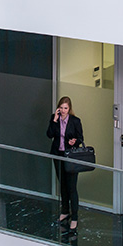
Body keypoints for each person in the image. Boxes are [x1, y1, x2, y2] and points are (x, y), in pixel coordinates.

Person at [47, 96, 84, 232]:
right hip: (58, 155)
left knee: (72, 187)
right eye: (61, 108)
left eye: (65, 108)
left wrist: (75, 141)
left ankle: (74, 217)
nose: (63, 110)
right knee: (62, 184)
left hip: (70, 157)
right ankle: (65, 211)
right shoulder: (54, 119)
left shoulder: (75, 121)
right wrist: (55, 121)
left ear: (69, 109)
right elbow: (49, 135)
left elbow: (81, 138)